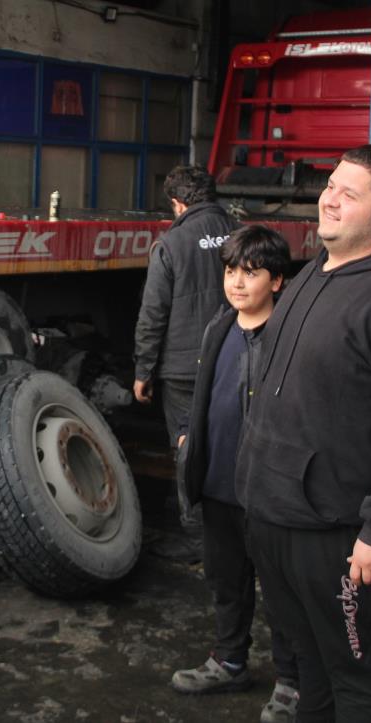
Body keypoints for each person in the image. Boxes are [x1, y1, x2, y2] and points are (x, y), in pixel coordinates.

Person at [235, 144, 371, 721]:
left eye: (348, 193)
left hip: (341, 534)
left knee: (361, 672)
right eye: (330, 184)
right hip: (276, 515)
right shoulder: (313, 273)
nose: (328, 198)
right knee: (310, 663)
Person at [170, 225, 298, 722]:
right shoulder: (219, 328)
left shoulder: (288, 338)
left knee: (283, 591)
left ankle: (292, 683)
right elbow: (200, 391)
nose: (238, 283)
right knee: (227, 583)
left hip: (268, 493)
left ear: (278, 281)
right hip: (219, 486)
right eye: (230, 271)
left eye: (252, 272)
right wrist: (186, 433)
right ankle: (229, 661)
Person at [133, 165, 240, 525]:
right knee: (231, 443)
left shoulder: (171, 244)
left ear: (178, 205)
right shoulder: (239, 234)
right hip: (233, 361)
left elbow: (153, 314)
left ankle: (197, 536)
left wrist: (143, 371)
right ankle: (234, 531)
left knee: (187, 448)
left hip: (183, 370)